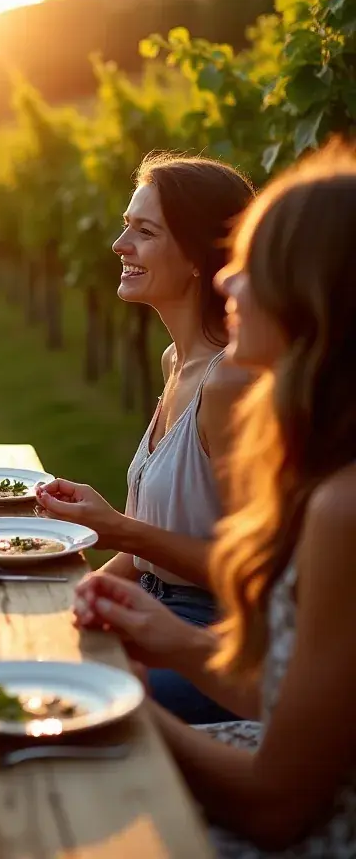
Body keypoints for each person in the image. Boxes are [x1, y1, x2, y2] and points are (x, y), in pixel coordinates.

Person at [73, 143, 356, 856]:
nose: (231, 279)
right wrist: (171, 638)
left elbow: (277, 807)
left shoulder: (343, 510)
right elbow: (298, 702)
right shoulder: (331, 482)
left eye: (253, 263)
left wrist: (118, 704)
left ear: (312, 293)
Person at [36, 153, 255, 724]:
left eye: (144, 230)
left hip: (213, 638)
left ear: (197, 257)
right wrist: (58, 603)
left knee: (53, 701)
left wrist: (116, 528)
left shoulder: (230, 384)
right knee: (21, 648)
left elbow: (254, 573)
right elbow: (141, 555)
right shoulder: (174, 363)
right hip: (153, 608)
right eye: (127, 224)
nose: (118, 243)